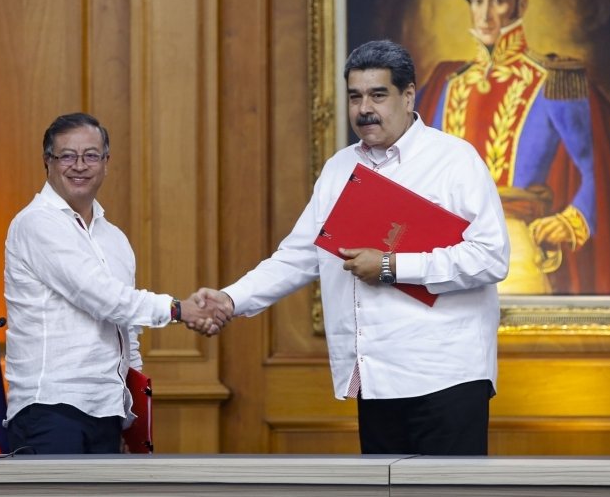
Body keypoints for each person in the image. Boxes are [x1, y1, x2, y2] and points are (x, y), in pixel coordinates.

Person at [199, 40, 510, 455]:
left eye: (378, 95)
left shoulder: (454, 160)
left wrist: (391, 265)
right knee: (384, 488)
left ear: (408, 96)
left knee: (447, 489)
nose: (365, 109)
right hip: (374, 378)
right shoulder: (340, 168)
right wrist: (230, 299)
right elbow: (298, 257)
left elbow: (490, 257)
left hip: (446, 376)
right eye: (355, 97)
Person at [3, 112, 228, 454]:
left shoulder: (115, 239)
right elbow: (100, 297)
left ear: (106, 163)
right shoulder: (35, 224)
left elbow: (127, 332)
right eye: (67, 156)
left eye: (91, 155)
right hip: (50, 409)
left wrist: (130, 416)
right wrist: (179, 310)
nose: (80, 166)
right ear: (48, 162)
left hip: (107, 410)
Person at [417, 0, 601, 294]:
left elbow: (597, 171)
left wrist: (571, 220)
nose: (485, 14)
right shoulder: (448, 83)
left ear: (521, 5)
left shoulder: (554, 81)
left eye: (498, 0)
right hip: (443, 246)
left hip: (513, 244)